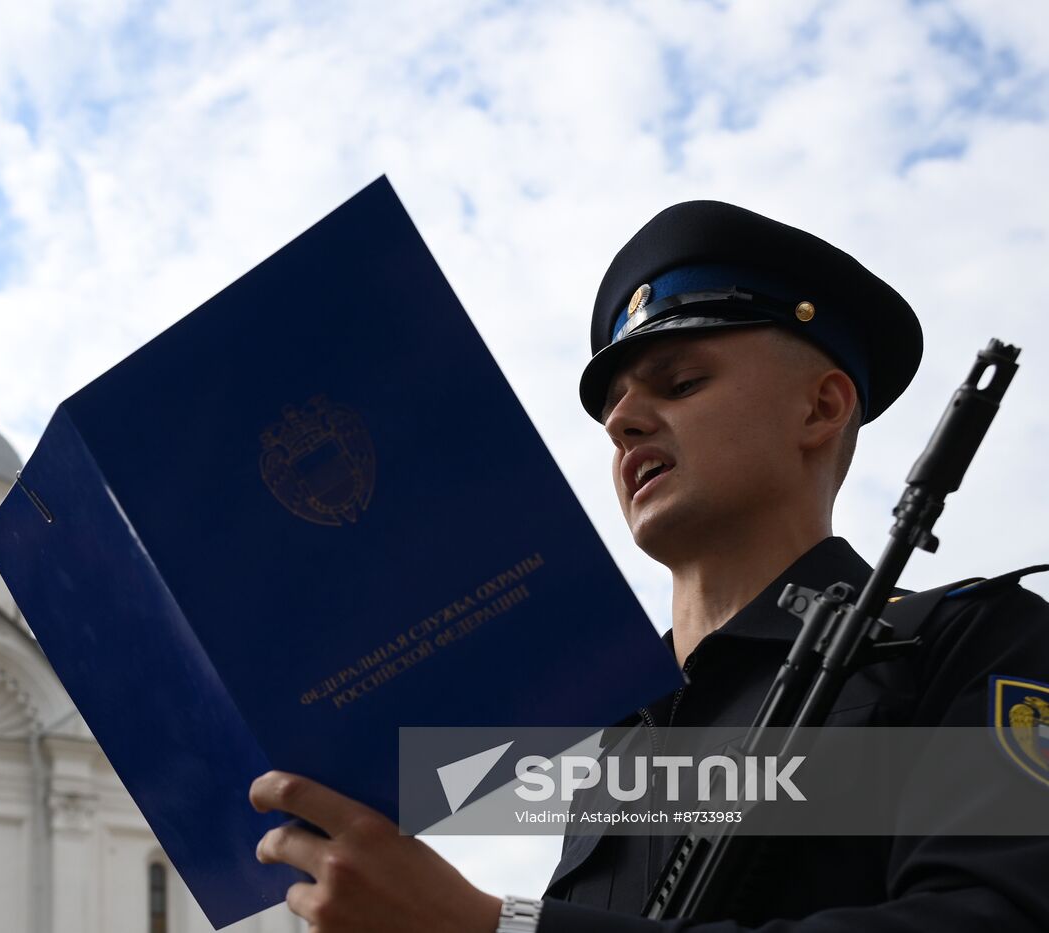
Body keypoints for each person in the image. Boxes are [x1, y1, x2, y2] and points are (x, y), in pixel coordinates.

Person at [249, 200, 1049, 932]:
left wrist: (496, 928)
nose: (624, 422)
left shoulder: (969, 645)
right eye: (613, 410)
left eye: (682, 382)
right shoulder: (608, 738)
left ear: (821, 407)